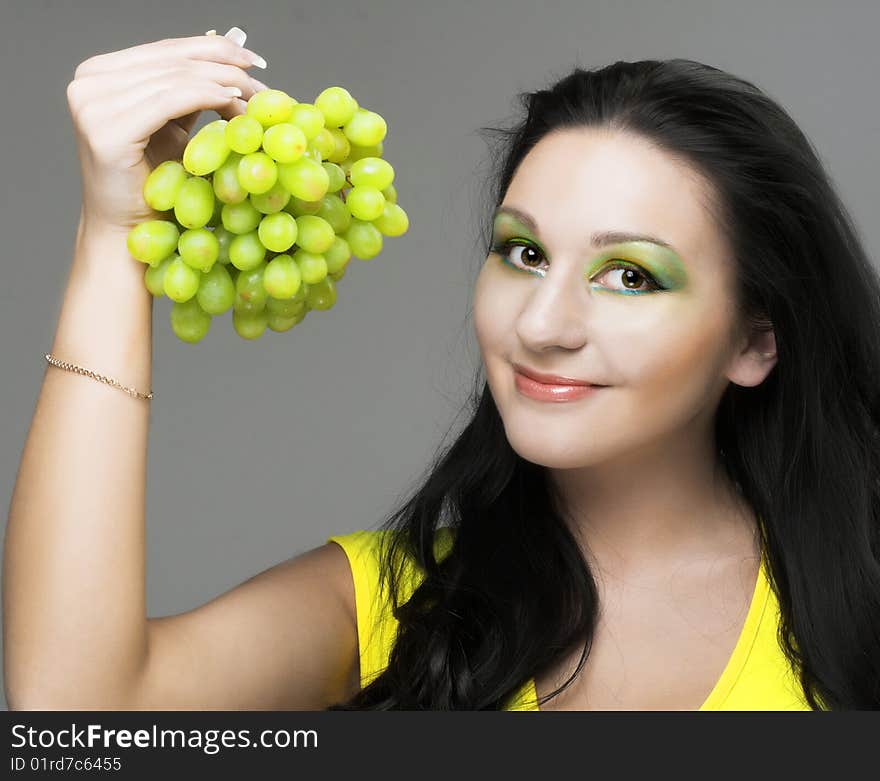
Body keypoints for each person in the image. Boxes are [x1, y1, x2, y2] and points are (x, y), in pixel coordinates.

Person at [4, 27, 878, 711]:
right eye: (524, 252)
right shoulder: (395, 607)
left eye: (630, 276)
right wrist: (114, 241)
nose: (541, 323)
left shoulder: (860, 591)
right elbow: (79, 713)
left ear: (755, 341)